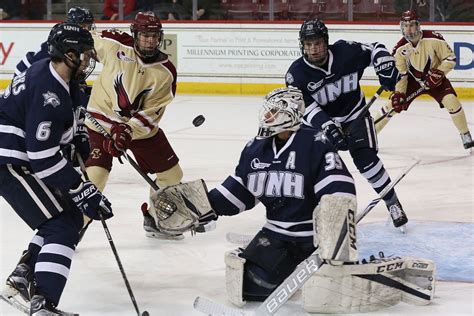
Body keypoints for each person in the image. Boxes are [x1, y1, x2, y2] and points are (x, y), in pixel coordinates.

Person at [148, 87, 436, 310]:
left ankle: (383, 277)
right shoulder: (255, 149)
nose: (267, 116)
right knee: (247, 285)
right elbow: (238, 192)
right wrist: (201, 207)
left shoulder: (316, 144)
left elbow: (339, 191)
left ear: (289, 114)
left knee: (326, 296)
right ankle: (302, 274)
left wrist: (333, 236)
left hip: (313, 239)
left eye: (273, 112)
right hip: (276, 236)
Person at [0, 22, 113, 315]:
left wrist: (82, 141)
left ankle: (25, 273)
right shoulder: (48, 89)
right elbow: (43, 156)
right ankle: (44, 304)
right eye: (85, 54)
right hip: (10, 161)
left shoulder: (65, 81)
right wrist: (81, 188)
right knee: (60, 225)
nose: (89, 60)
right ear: (69, 53)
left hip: (22, 158)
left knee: (71, 216)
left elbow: (72, 123)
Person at [284, 18, 409, 229]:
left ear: (326, 42)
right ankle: (305, 214)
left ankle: (392, 202)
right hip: (322, 123)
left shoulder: (345, 52)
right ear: (302, 45)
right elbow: (304, 106)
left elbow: (375, 49)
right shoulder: (296, 73)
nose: (313, 49)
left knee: (366, 159)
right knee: (308, 166)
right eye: (308, 44)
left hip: (355, 114)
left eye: (317, 43)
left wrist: (385, 66)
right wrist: (328, 126)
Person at [84, 11, 183, 240]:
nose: (150, 40)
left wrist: (128, 130)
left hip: (136, 130)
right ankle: (72, 229)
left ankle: (157, 221)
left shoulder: (165, 72)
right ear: (135, 34)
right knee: (95, 177)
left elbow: (151, 114)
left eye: (154, 36)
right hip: (102, 122)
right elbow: (84, 41)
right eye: (145, 35)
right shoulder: (113, 43)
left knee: (172, 175)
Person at [373, 10, 474, 150]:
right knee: (391, 105)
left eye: (412, 25)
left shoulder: (434, 39)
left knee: (452, 101)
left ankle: (465, 134)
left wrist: (438, 73)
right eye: (405, 25)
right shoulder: (399, 49)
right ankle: (370, 138)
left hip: (436, 78)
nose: (408, 29)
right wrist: (399, 93)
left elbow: (450, 58)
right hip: (412, 82)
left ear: (418, 25)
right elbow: (402, 75)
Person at [13, 6, 95, 79]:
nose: (88, 30)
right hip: (24, 75)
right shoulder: (61, 42)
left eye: (89, 26)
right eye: (84, 26)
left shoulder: (68, 40)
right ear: (72, 26)